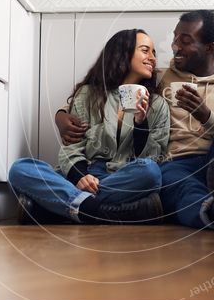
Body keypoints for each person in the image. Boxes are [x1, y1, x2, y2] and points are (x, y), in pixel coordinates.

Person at [57, 11, 214, 233]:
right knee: (177, 186)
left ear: (210, 48)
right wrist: (61, 115)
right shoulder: (161, 75)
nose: (175, 46)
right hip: (174, 162)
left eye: (184, 41)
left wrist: (205, 115)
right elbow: (115, 81)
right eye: (175, 38)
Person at [9, 29, 170, 224]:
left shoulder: (158, 105)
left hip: (123, 177)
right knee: (21, 168)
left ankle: (60, 208)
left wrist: (140, 123)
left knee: (151, 172)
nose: (152, 58)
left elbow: (153, 157)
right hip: (82, 174)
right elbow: (71, 148)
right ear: (123, 53)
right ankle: (100, 211)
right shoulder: (88, 95)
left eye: (154, 53)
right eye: (145, 50)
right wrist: (81, 176)